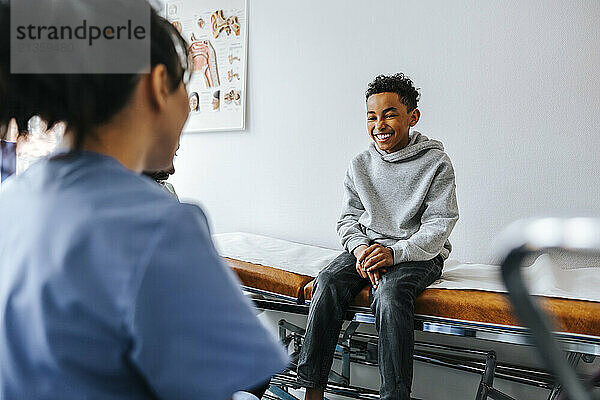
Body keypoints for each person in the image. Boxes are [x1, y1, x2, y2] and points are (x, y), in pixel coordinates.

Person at [0, 2, 288, 399]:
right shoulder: (158, 226)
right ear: (157, 85)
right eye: (187, 82)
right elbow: (234, 383)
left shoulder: (12, 200)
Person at [296, 73, 459, 400]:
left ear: (412, 117)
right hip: (367, 250)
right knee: (326, 283)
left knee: (389, 294)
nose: (379, 124)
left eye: (389, 114)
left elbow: (440, 224)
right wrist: (361, 251)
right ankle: (312, 392)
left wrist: (394, 254)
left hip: (417, 254)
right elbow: (347, 219)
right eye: (371, 116)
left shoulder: (436, 162)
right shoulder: (360, 164)